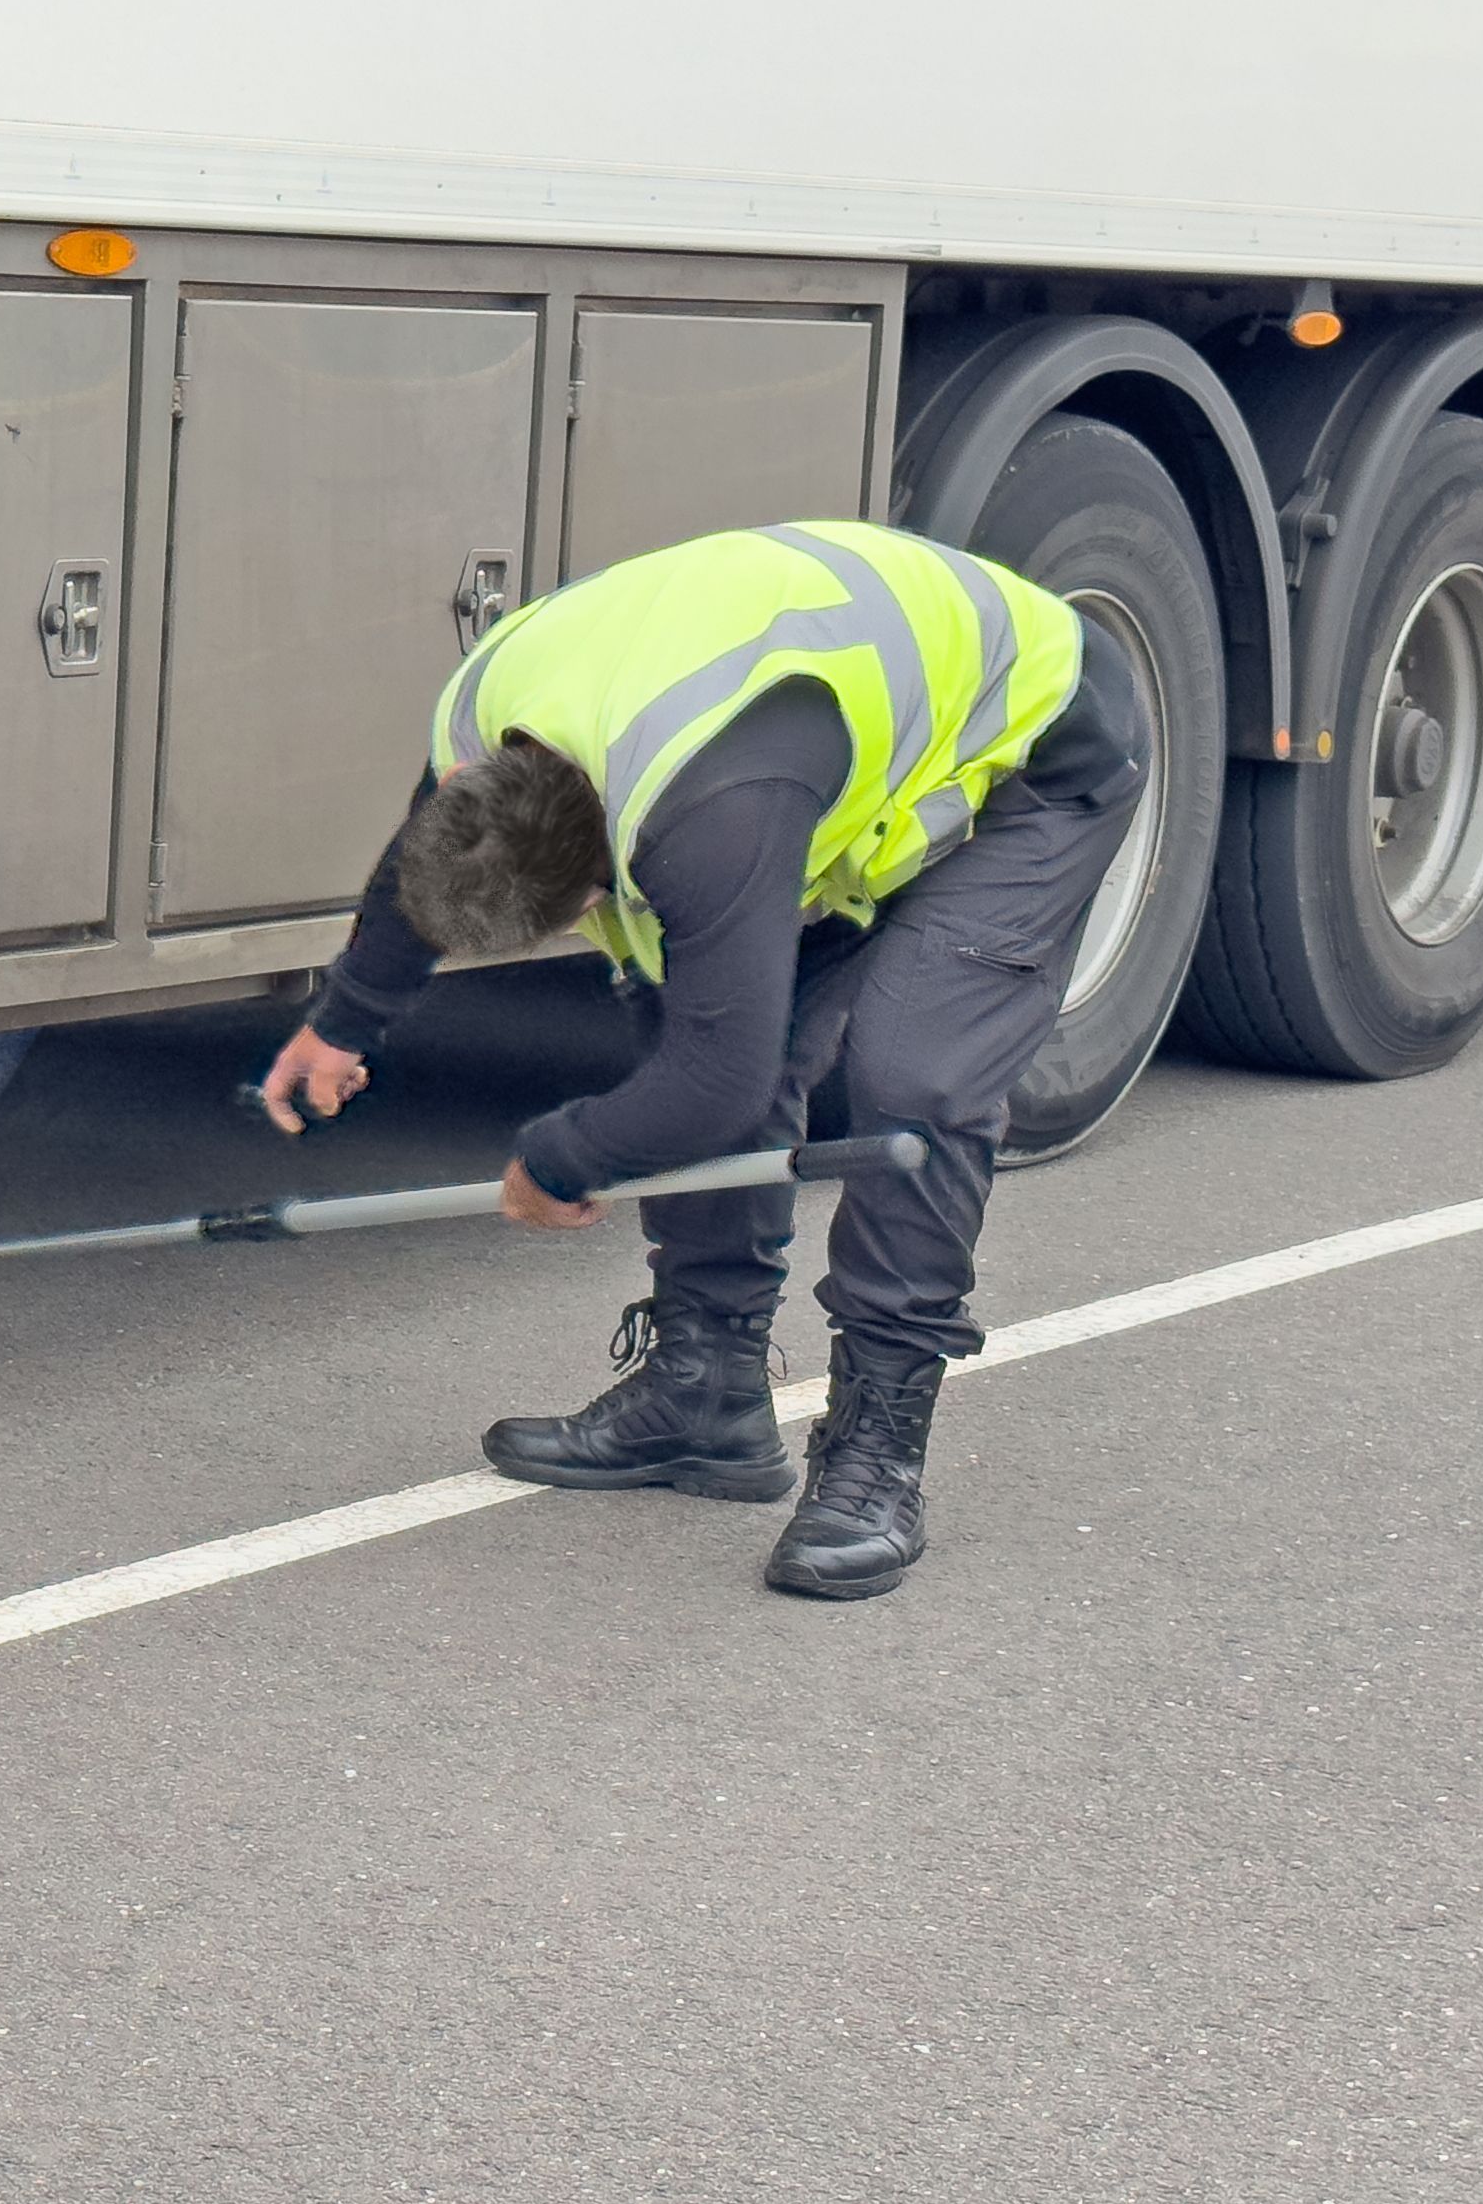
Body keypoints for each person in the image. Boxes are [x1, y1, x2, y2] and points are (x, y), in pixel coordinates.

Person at [255, 519, 1146, 1599]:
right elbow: (422, 848)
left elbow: (716, 1090)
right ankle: (706, 1392)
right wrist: (346, 1020)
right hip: (818, 745)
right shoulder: (485, 724)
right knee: (696, 998)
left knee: (910, 1085)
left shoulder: (711, 818)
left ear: (592, 881)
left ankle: (878, 1456)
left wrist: (559, 1158)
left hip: (1032, 742)